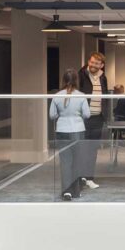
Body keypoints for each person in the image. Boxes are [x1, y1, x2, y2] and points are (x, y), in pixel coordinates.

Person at [49, 69, 90, 201]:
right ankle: (76, 191)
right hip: (78, 130)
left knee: (65, 162)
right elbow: (87, 114)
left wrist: (62, 114)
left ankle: (66, 192)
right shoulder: (81, 95)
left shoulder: (57, 96)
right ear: (77, 80)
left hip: (62, 130)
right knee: (77, 161)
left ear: (63, 80)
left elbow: (52, 115)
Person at [77, 52, 109, 189]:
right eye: (91, 62)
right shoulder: (81, 75)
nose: (93, 65)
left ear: (101, 65)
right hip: (83, 118)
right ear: (88, 62)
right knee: (81, 149)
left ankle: (89, 177)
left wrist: (105, 115)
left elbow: (105, 96)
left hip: (97, 118)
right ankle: (79, 178)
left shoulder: (103, 77)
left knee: (92, 150)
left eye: (96, 63)